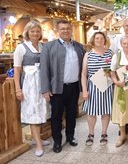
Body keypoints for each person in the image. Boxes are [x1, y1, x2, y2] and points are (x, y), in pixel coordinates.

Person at [40, 20, 85, 153]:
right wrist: (45, 89)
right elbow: (44, 70)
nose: (65, 31)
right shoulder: (48, 47)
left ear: (71, 30)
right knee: (56, 116)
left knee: (72, 114)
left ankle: (70, 136)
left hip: (74, 87)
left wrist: (83, 88)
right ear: (57, 31)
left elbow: (83, 68)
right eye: (62, 29)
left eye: (67, 28)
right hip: (57, 89)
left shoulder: (78, 46)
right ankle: (57, 141)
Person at [13, 20, 49, 157]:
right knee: (33, 111)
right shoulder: (21, 47)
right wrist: (18, 89)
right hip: (29, 83)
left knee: (40, 110)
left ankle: (36, 138)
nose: (35, 33)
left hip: (41, 82)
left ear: (40, 33)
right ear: (27, 32)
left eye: (37, 31)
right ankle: (38, 145)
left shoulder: (43, 46)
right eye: (32, 31)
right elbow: (16, 70)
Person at [81, 32, 113, 146]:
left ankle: (104, 133)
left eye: (101, 38)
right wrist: (84, 90)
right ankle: (91, 133)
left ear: (105, 40)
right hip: (92, 87)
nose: (99, 40)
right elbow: (84, 74)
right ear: (93, 40)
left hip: (107, 86)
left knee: (106, 112)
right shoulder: (88, 55)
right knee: (91, 112)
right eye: (97, 38)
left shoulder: (110, 53)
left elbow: (114, 70)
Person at [110, 35, 128, 147]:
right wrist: (116, 82)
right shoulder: (116, 56)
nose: (126, 45)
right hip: (120, 88)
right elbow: (112, 73)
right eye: (124, 43)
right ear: (121, 45)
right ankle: (122, 135)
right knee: (122, 111)